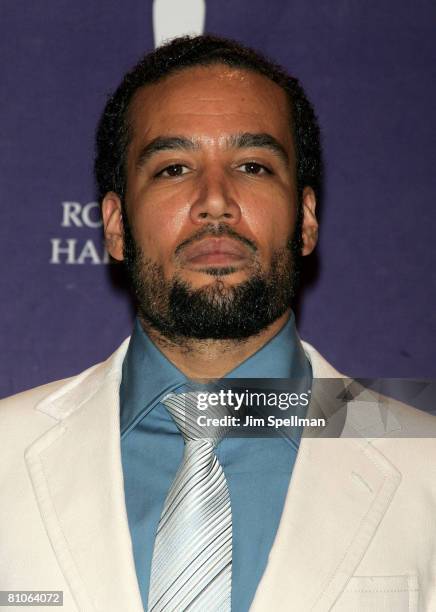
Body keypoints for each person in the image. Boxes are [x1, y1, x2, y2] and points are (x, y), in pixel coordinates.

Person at [1, 34, 435, 612]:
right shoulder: (7, 449)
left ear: (306, 220)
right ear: (114, 225)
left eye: (252, 166)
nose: (214, 201)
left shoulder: (424, 463)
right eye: (173, 168)